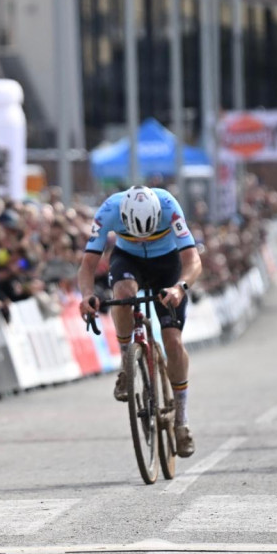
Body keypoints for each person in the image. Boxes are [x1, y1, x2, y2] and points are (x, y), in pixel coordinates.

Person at [77, 185, 202, 458]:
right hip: (128, 259)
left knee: (172, 340)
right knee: (121, 294)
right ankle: (126, 362)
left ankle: (181, 420)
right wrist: (86, 295)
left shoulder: (169, 206)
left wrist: (180, 287)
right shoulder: (109, 209)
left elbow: (193, 260)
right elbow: (87, 265)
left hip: (168, 265)